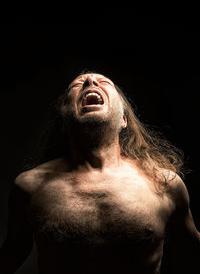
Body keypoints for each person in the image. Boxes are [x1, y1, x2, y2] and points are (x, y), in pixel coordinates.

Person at [0, 72, 199, 274]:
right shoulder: (29, 186)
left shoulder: (164, 183)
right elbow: (11, 255)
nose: (90, 81)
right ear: (62, 123)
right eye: (76, 85)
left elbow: (193, 254)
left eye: (104, 82)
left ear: (123, 120)